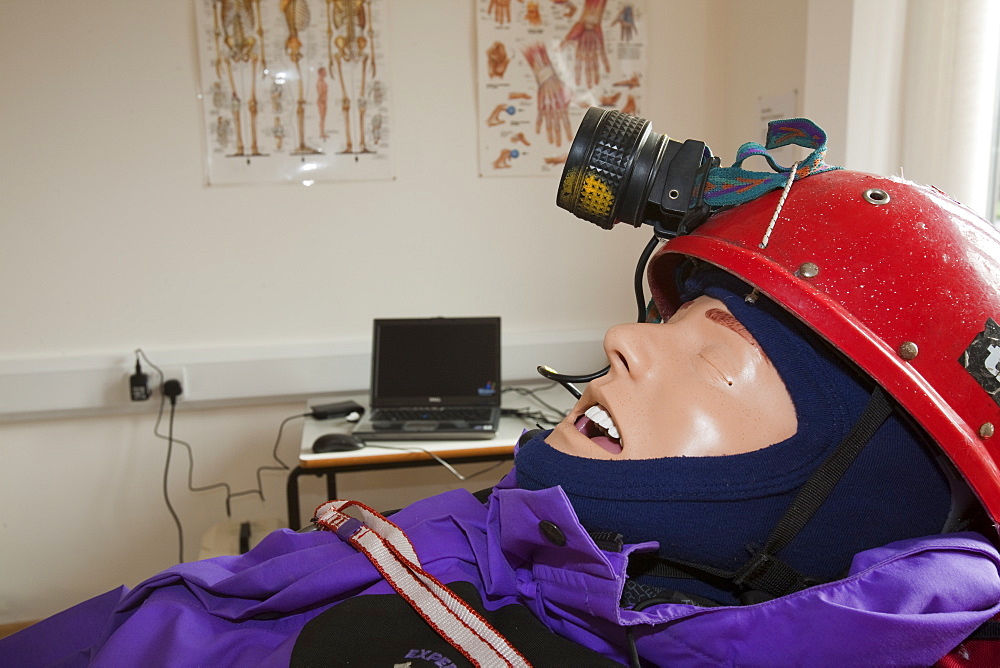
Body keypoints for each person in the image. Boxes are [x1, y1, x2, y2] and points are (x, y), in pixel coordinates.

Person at [5, 119, 1000, 667]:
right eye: (662, 322)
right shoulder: (491, 529)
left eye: (720, 353)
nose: (622, 339)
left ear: (845, 494)